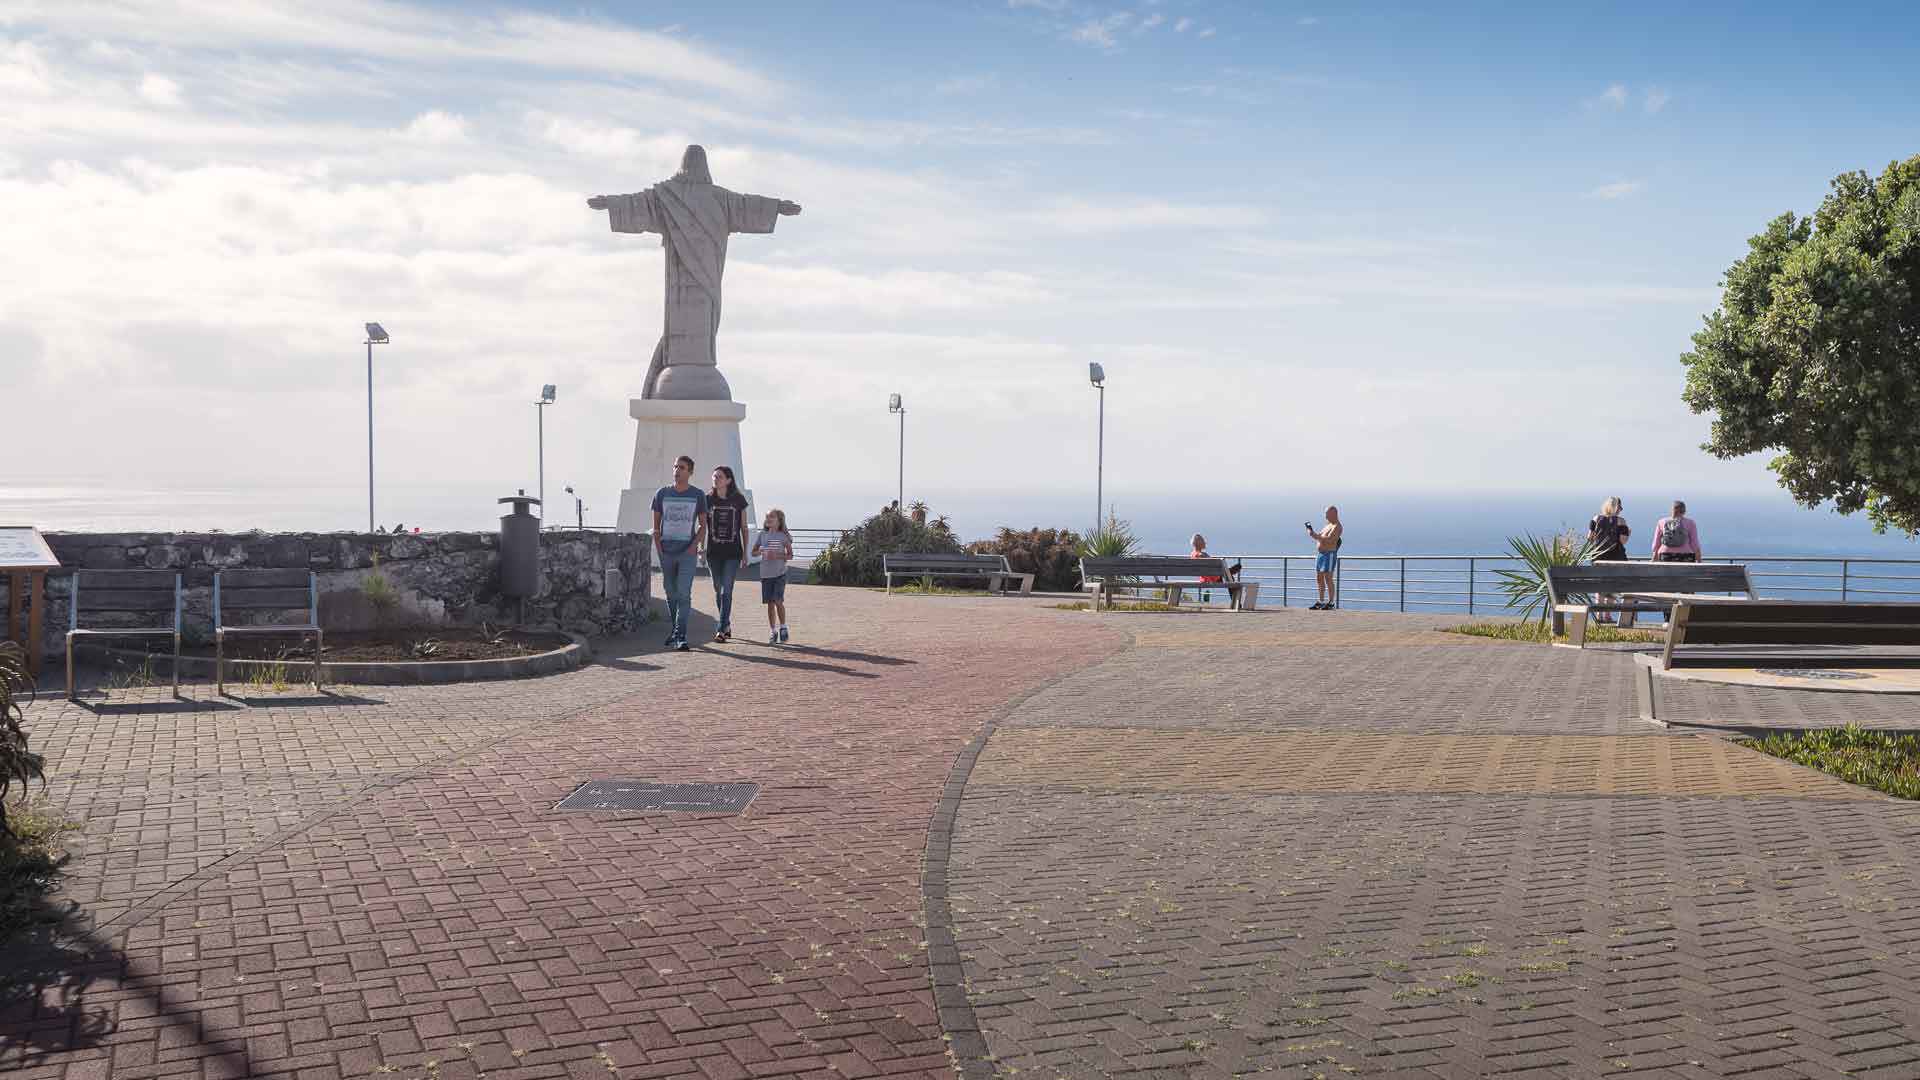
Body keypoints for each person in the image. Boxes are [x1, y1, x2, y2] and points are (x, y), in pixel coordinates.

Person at [651, 455, 708, 651]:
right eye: (675, 466)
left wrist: (693, 547)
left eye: (682, 467)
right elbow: (656, 527)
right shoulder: (661, 494)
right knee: (670, 593)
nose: (677, 470)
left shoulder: (698, 495)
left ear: (690, 472)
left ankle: (681, 635)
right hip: (666, 551)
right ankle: (675, 631)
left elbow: (703, 526)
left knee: (683, 594)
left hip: (687, 553)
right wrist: (659, 549)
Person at [705, 466, 750, 643]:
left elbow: (744, 528)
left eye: (720, 476)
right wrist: (701, 548)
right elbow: (701, 524)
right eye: (714, 476)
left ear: (728, 480)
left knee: (726, 590)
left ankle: (721, 629)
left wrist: (745, 553)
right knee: (718, 590)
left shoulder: (738, 500)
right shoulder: (707, 500)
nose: (716, 479)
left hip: (733, 553)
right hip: (713, 552)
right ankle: (727, 623)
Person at [751, 509, 794, 644]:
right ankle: (773, 631)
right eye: (767, 516)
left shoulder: (783, 536)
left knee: (778, 601)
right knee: (770, 603)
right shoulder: (762, 535)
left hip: (780, 573)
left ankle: (783, 627)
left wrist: (777, 556)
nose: (768, 519)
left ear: (779, 520)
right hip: (765, 574)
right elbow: (753, 552)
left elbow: (790, 555)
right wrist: (761, 551)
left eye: (772, 517)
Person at [1586, 496, 1631, 624]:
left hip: (1598, 557)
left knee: (1599, 586)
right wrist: (1629, 533)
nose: (1621, 510)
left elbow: (1589, 538)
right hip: (1615, 558)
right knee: (1612, 586)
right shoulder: (1621, 521)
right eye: (1620, 507)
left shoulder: (1596, 518)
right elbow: (1623, 541)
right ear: (1617, 507)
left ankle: (1599, 616)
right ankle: (1607, 616)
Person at [1306, 507, 1342, 610]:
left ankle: (1331, 602)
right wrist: (1314, 534)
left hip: (1329, 554)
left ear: (1334, 514)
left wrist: (1314, 535)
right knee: (1319, 578)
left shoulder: (1337, 527)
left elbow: (1330, 540)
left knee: (1328, 578)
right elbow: (1321, 536)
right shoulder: (1328, 525)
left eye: (1328, 514)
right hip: (1321, 554)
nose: (1326, 516)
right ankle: (1321, 601)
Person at [1189, 533, 1221, 603]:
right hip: (1214, 578)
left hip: (1203, 578)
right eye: (1203, 541)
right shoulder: (1203, 555)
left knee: (1231, 572)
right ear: (1201, 544)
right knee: (1231, 577)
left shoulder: (1192, 554)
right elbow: (1215, 565)